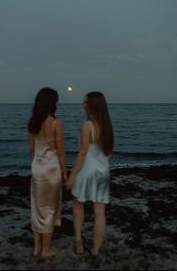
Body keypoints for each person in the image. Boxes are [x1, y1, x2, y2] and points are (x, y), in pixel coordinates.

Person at [66, 91, 114, 256]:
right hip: (102, 172)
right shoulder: (107, 126)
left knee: (78, 204)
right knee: (99, 212)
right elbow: (109, 153)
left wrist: (71, 176)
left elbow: (82, 153)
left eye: (85, 102)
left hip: (86, 171)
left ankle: (79, 241)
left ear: (92, 105)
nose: (83, 105)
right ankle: (95, 249)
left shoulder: (87, 126)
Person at [28, 87, 67, 257]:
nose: (58, 103)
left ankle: (36, 247)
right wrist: (65, 172)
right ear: (52, 103)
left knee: (37, 207)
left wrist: (38, 162)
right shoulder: (56, 123)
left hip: (37, 168)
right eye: (56, 100)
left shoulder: (32, 122)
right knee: (50, 208)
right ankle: (46, 249)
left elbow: (31, 150)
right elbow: (60, 151)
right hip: (51, 169)